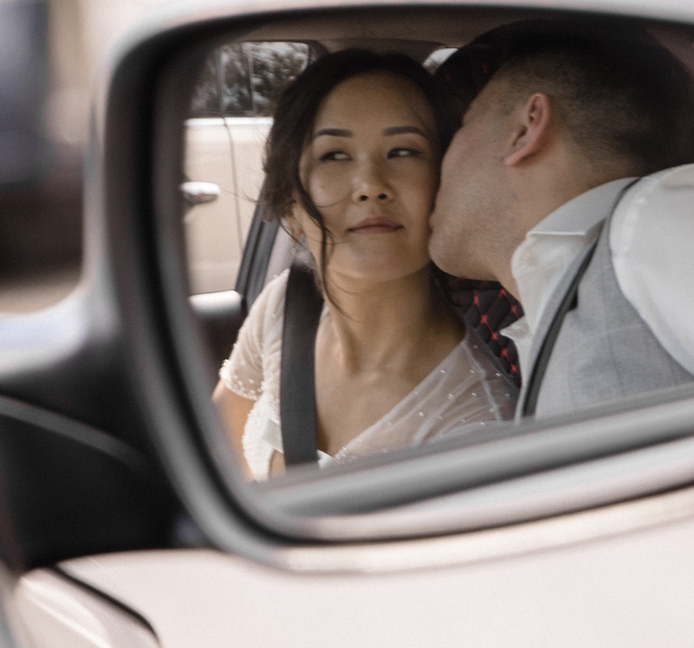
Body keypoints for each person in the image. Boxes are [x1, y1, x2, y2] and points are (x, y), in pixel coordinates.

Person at [428, 21, 694, 418]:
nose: (434, 165)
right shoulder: (560, 299)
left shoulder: (666, 220)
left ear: (524, 128)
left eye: (461, 127)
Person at [214, 50, 515, 477]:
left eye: (402, 151)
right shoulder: (285, 305)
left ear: (447, 183)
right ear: (290, 200)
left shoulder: (477, 423)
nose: (371, 185)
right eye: (335, 155)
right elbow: (217, 458)